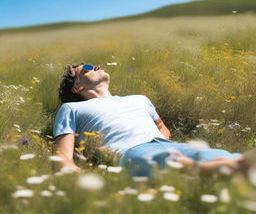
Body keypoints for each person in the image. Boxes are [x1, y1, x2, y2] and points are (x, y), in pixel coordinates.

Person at [53, 63, 251, 177]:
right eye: (87, 67)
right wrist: (71, 168)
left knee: (219, 154)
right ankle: (223, 170)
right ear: (77, 87)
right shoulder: (72, 108)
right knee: (166, 163)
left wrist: (160, 139)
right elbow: (62, 155)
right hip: (131, 151)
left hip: (168, 144)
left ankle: (228, 166)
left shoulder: (139, 98)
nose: (97, 65)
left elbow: (163, 129)